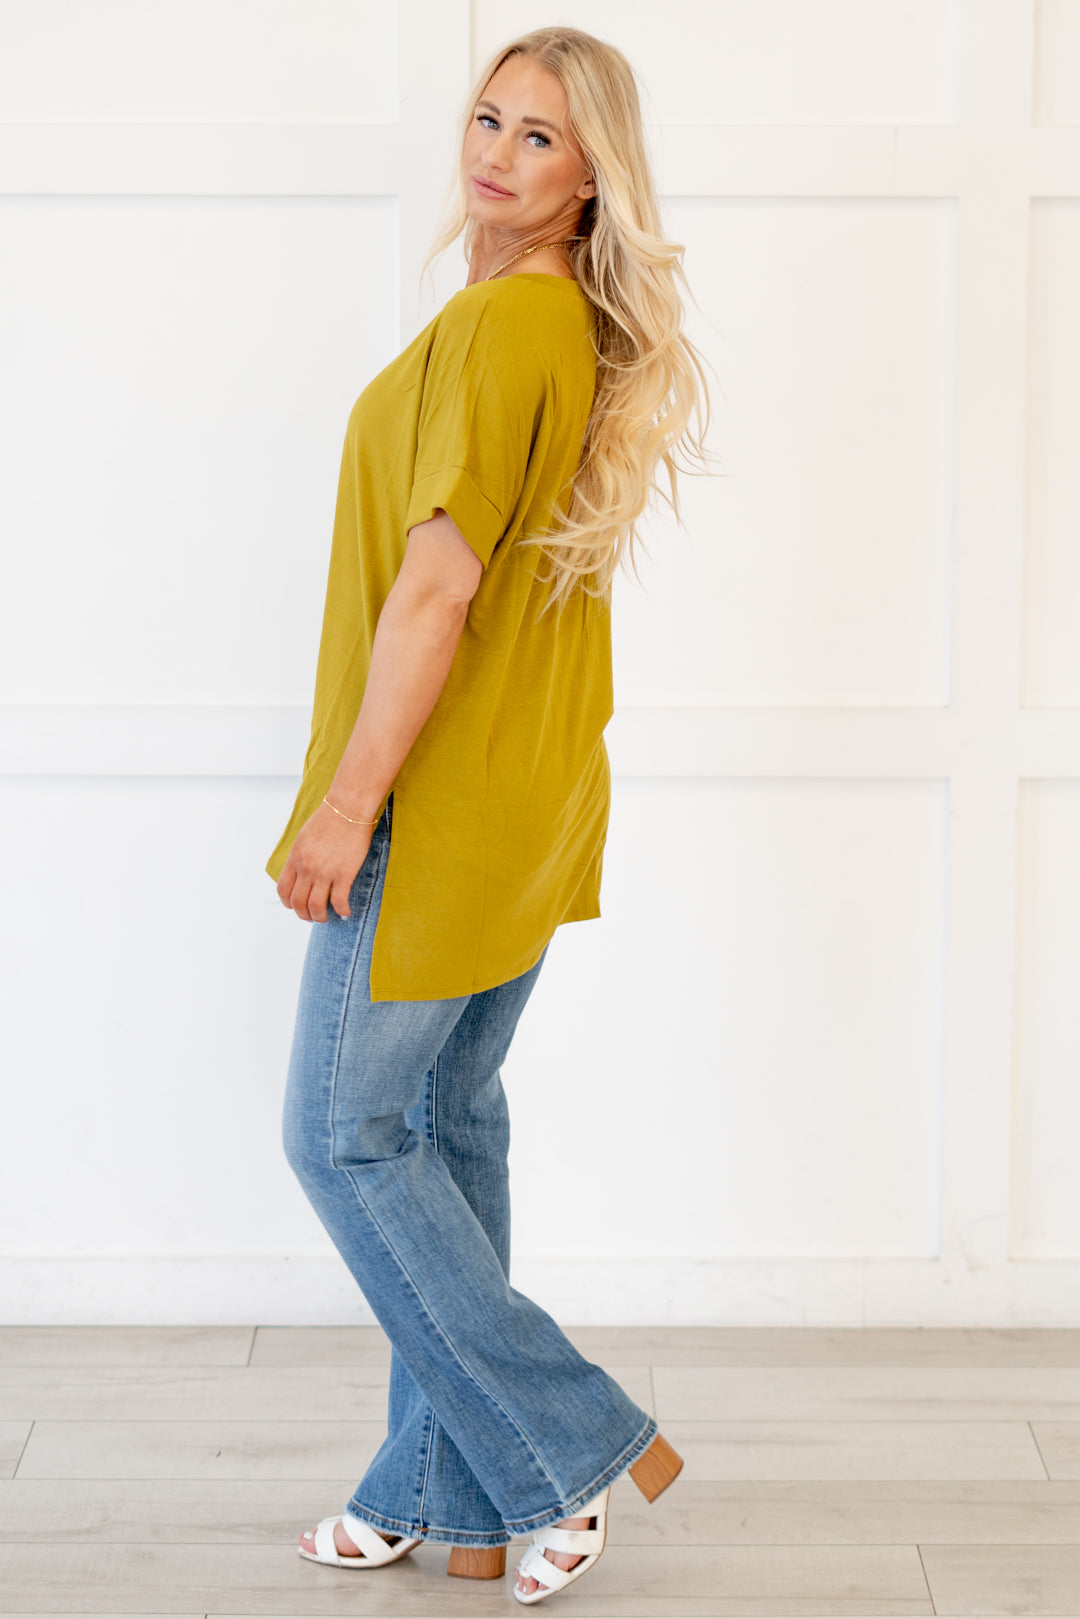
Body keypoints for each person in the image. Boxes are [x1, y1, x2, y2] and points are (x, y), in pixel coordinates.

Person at [267, 23, 714, 1606]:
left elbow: (436, 592)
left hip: (441, 801)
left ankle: (566, 1450)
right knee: (446, 1132)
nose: (499, 154)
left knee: (341, 1136)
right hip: (529, 794)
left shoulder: (508, 326)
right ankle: (438, 1493)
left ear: (593, 180)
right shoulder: (553, 324)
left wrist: (347, 806)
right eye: (489, 118)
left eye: (541, 138)